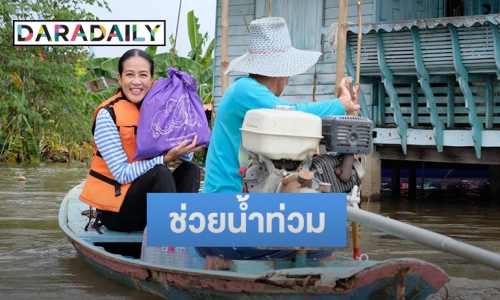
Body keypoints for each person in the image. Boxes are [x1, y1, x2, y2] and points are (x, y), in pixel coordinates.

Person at [198, 17, 360, 269]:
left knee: (322, 231)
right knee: (325, 244)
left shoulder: (253, 96)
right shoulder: (245, 91)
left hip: (234, 215)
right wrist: (341, 104)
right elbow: (293, 111)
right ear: (285, 74)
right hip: (223, 216)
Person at [79, 49, 204, 232]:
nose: (136, 81)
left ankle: (183, 231)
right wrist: (164, 159)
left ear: (151, 79)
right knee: (160, 171)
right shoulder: (108, 115)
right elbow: (121, 174)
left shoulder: (160, 111)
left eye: (143, 75)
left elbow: (183, 157)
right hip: (116, 211)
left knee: (191, 170)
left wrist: (186, 150)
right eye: (130, 75)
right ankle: (168, 238)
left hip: (147, 202)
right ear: (120, 78)